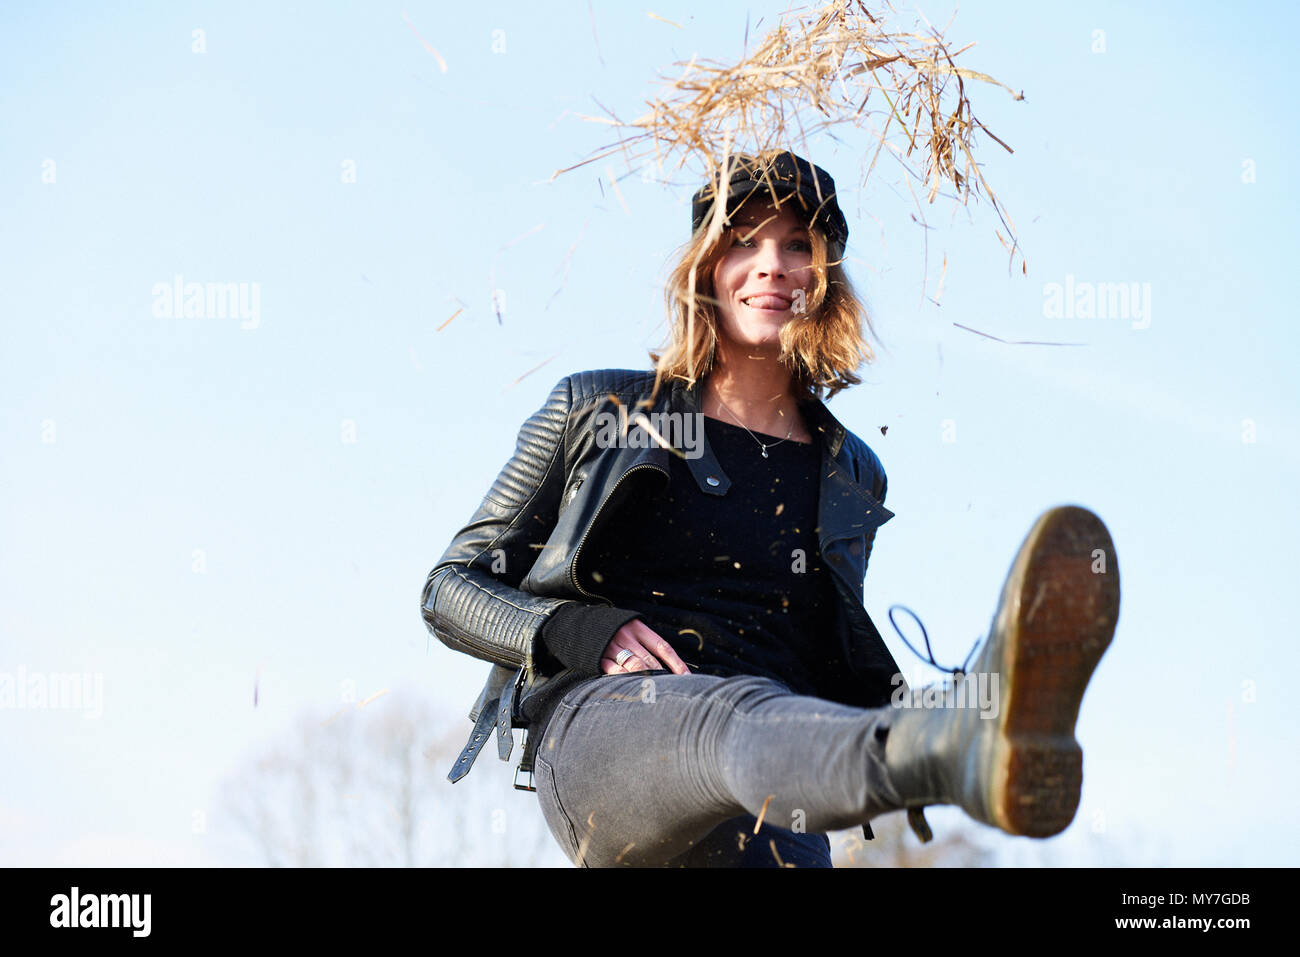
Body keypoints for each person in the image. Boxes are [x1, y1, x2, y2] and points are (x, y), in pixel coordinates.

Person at [420, 150, 1120, 867]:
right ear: (705, 269)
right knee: (728, 717)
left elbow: (816, 658)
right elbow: (448, 589)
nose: (772, 265)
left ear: (825, 280)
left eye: (797, 246)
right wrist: (578, 628)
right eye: (744, 241)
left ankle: (972, 714)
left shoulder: (852, 471)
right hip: (608, 734)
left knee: (758, 730)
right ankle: (939, 751)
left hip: (766, 778)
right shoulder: (598, 408)